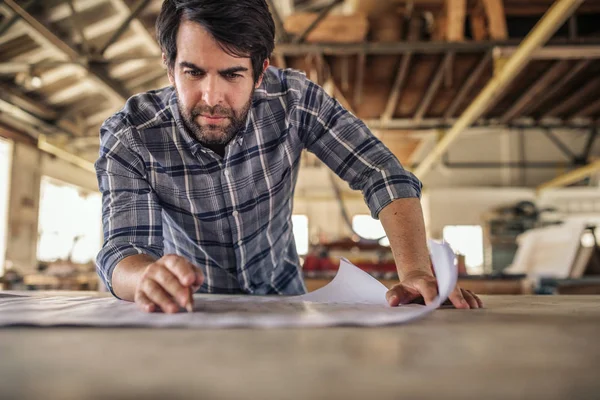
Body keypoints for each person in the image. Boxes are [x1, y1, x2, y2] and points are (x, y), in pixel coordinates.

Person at [95, 0, 482, 313]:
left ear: (261, 71)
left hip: (286, 299)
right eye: (193, 72)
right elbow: (122, 251)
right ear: (169, 66)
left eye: (232, 75)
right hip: (191, 308)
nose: (211, 98)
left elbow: (381, 173)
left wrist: (414, 270)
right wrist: (147, 278)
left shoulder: (294, 101)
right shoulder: (130, 136)